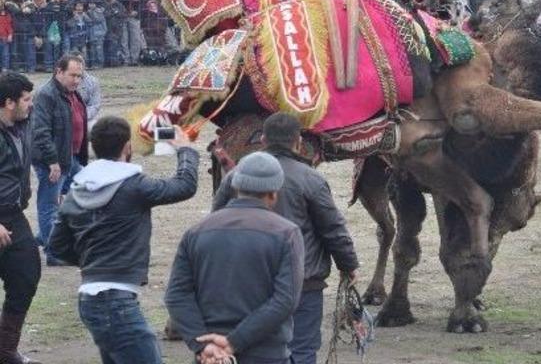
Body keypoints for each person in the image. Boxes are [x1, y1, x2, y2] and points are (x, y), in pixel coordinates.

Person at [48, 116, 199, 364]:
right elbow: (184, 186)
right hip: (117, 303)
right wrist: (186, 150)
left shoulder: (76, 191)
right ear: (127, 147)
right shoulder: (134, 187)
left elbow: (56, 248)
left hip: (88, 298)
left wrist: (93, 261)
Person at [212, 113, 359, 364]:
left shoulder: (238, 175)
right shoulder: (310, 178)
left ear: (263, 139)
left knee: (252, 349)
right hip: (301, 282)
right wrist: (348, 265)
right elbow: (332, 228)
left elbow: (217, 221)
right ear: (299, 142)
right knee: (300, 351)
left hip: (248, 281)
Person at [166, 152, 304, 364]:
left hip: (210, 356)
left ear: (236, 187)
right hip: (266, 354)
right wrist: (234, 341)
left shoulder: (197, 232)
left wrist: (203, 344)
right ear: (275, 193)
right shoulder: (286, 233)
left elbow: (176, 295)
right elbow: (284, 300)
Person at [0, 72, 41, 364]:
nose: (31, 104)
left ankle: (4, 350)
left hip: (13, 214)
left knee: (26, 274)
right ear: (8, 102)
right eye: (26, 100)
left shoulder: (23, 122)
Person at [31, 54, 88, 265]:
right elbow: (41, 131)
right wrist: (52, 161)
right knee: (49, 205)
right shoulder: (46, 94)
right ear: (59, 72)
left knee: (86, 189)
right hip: (53, 160)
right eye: (72, 75)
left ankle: (43, 237)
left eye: (79, 76)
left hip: (70, 157)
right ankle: (53, 253)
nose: (76, 80)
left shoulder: (72, 93)